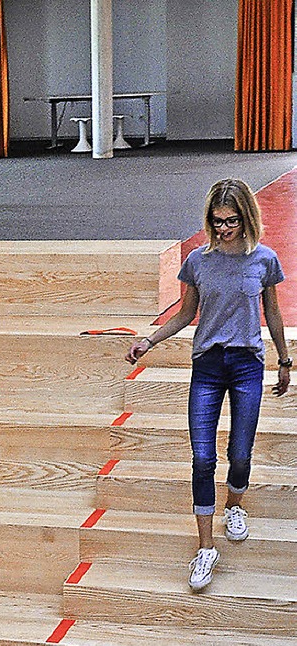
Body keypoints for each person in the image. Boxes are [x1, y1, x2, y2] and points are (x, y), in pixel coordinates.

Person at [126, 178, 291, 591]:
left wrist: (285, 360)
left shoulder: (264, 260)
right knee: (202, 458)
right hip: (208, 365)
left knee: (239, 452)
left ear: (246, 218)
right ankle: (205, 546)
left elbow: (272, 314)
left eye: (231, 221)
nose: (223, 229)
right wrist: (149, 340)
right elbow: (185, 315)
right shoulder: (198, 261)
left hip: (248, 363)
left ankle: (235, 504)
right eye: (216, 222)